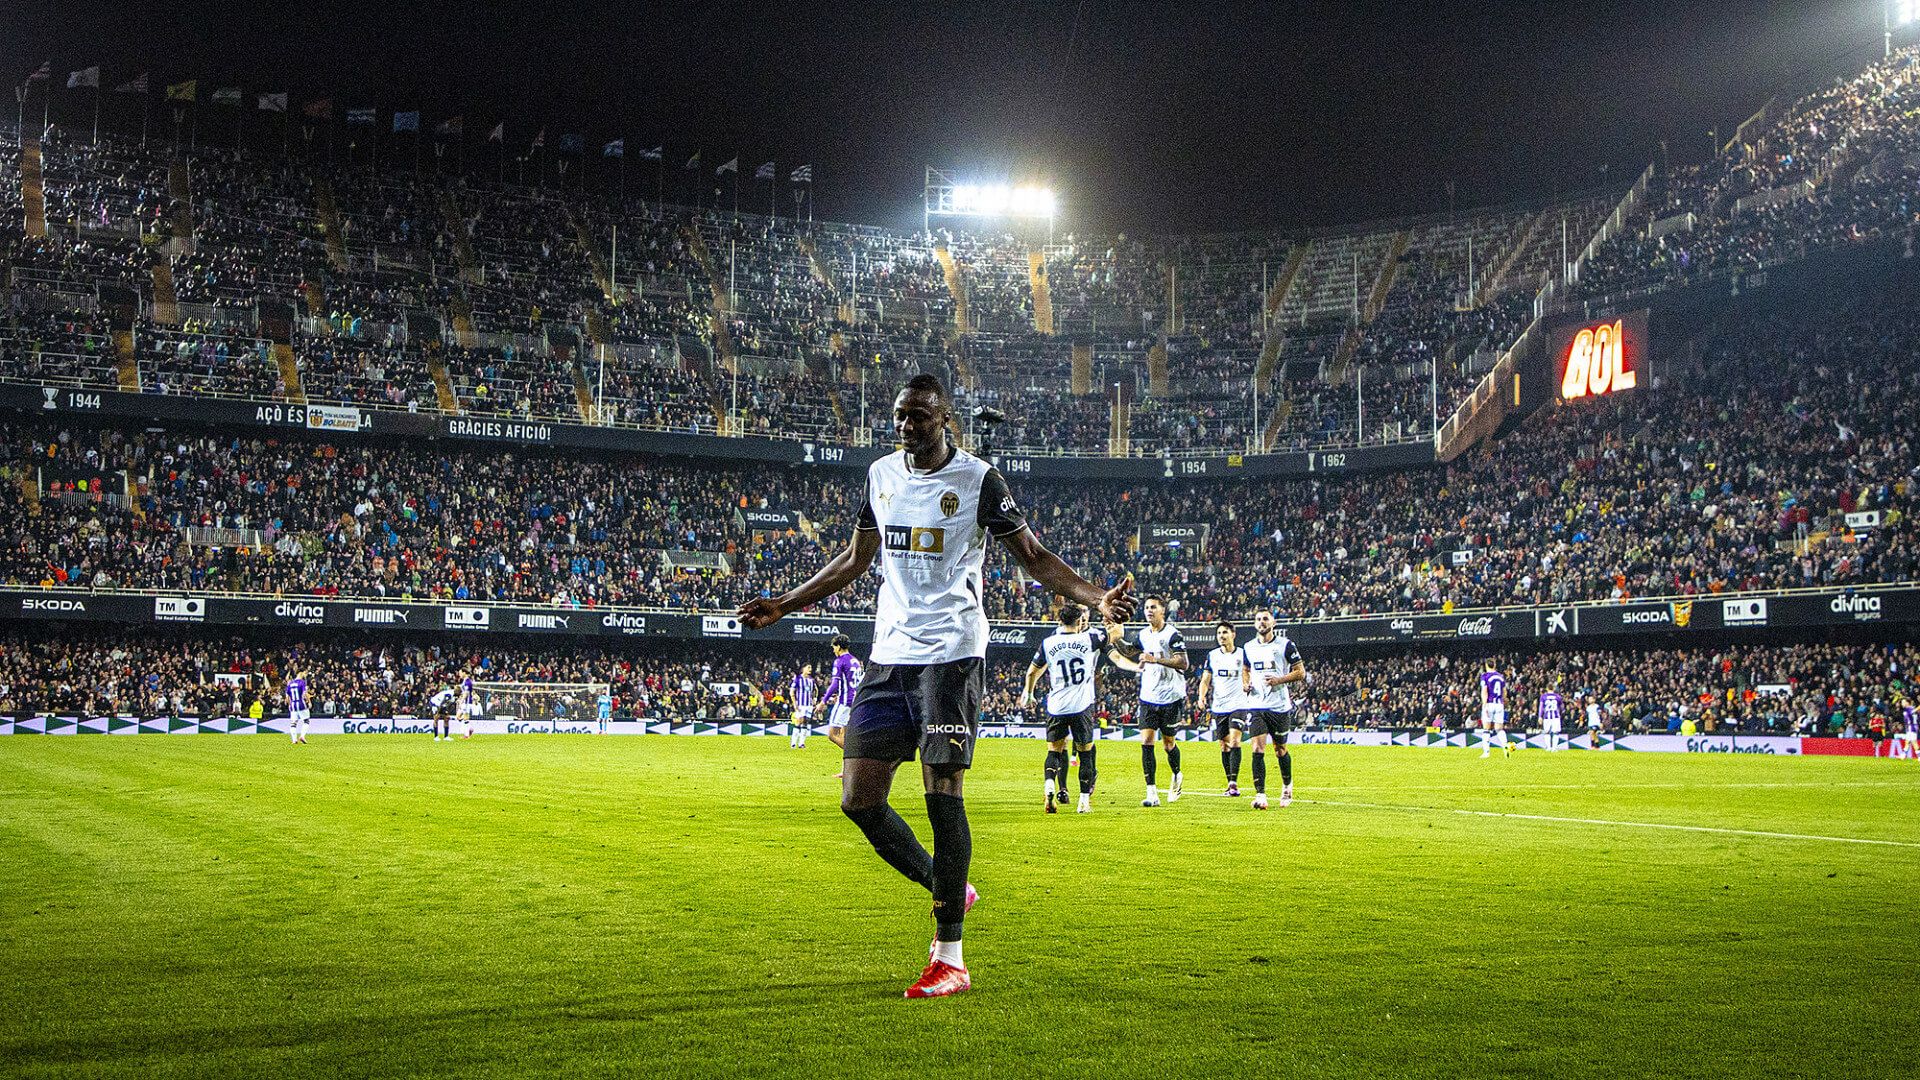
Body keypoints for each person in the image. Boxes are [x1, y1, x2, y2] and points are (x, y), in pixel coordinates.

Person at [737, 373, 1134, 999]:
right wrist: (785, 603)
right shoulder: (881, 476)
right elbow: (855, 559)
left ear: (944, 418)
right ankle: (947, 882)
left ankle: (949, 955)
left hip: (951, 653)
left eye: (919, 416)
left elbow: (1031, 556)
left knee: (940, 789)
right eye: (899, 416)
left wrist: (1094, 597)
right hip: (889, 654)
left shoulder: (978, 481)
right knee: (858, 798)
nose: (906, 426)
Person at [1020, 603, 1106, 814]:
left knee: (1054, 751)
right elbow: (1113, 636)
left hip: (1056, 706)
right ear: (1079, 622)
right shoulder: (1088, 639)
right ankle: (1084, 801)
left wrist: (1029, 693)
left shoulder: (1049, 643)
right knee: (1085, 753)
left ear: (1060, 621)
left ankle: (1050, 785)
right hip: (1081, 705)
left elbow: (1031, 673)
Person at [1107, 596, 1188, 807]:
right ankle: (1151, 792)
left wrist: (1156, 659)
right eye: (1146, 608)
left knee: (1168, 744)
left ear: (1163, 611)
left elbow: (1183, 662)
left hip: (1171, 697)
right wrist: (1115, 637)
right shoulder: (1142, 634)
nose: (1149, 611)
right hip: (1148, 696)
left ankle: (1177, 775)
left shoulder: (1172, 634)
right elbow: (1129, 651)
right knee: (1146, 742)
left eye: (1153, 607)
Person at [1242, 610, 1305, 809]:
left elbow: (1300, 672)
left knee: (1280, 750)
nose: (1262, 622)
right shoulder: (1248, 647)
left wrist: (1279, 680)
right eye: (1258, 619)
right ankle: (1260, 795)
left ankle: (1287, 785)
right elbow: (1245, 669)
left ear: (1273, 622)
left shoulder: (1285, 645)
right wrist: (1245, 683)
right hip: (1256, 705)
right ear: (1255, 624)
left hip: (1279, 706)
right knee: (1257, 748)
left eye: (1265, 619)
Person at [1197, 621, 1251, 797]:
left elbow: (1247, 673)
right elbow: (1205, 679)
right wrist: (1201, 696)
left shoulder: (1243, 654)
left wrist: (1246, 684)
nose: (1221, 635)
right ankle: (1229, 782)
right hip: (1219, 706)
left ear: (1233, 634)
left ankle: (1234, 784)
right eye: (1219, 633)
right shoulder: (1212, 656)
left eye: (1225, 632)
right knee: (1224, 746)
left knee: (1235, 741)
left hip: (1239, 704)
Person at [822, 635, 862, 777]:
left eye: (833, 647)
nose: (833, 650)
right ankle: (847, 771)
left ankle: (856, 755)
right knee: (845, 735)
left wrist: (823, 701)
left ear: (838, 646)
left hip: (845, 702)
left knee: (832, 735)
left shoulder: (840, 661)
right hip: (855, 701)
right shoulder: (855, 661)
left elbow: (835, 684)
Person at [1479, 663, 1509, 758]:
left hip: (1489, 703)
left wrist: (1484, 704)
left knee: (1486, 729)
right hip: (1499, 704)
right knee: (1499, 729)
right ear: (1495, 665)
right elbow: (1504, 692)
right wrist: (1503, 702)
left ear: (1486, 665)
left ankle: (1486, 753)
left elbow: (1484, 690)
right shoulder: (1500, 676)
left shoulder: (1485, 676)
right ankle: (1505, 747)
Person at [789, 664, 818, 749]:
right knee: (798, 722)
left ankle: (801, 743)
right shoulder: (798, 679)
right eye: (808, 667)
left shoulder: (811, 680)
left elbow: (816, 690)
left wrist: (815, 699)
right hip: (800, 705)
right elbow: (792, 692)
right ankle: (793, 743)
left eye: (811, 667)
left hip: (808, 705)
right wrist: (795, 703)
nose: (810, 669)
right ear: (803, 669)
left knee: (805, 722)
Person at [285, 670, 311, 745]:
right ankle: (302, 736)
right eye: (305, 673)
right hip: (301, 703)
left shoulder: (290, 683)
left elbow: (287, 697)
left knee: (293, 723)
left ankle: (294, 740)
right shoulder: (302, 682)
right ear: (300, 673)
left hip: (293, 705)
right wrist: (309, 702)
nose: (305, 675)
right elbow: (304, 694)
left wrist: (290, 705)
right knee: (306, 721)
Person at [1538, 685, 1566, 752]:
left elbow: (1541, 707)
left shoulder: (1543, 696)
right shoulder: (1558, 697)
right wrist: (1562, 712)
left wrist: (1540, 716)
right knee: (1555, 732)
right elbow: (1562, 708)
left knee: (1547, 732)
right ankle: (1554, 748)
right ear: (1553, 688)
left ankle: (1548, 747)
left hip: (1546, 717)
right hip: (1556, 717)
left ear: (1547, 688)